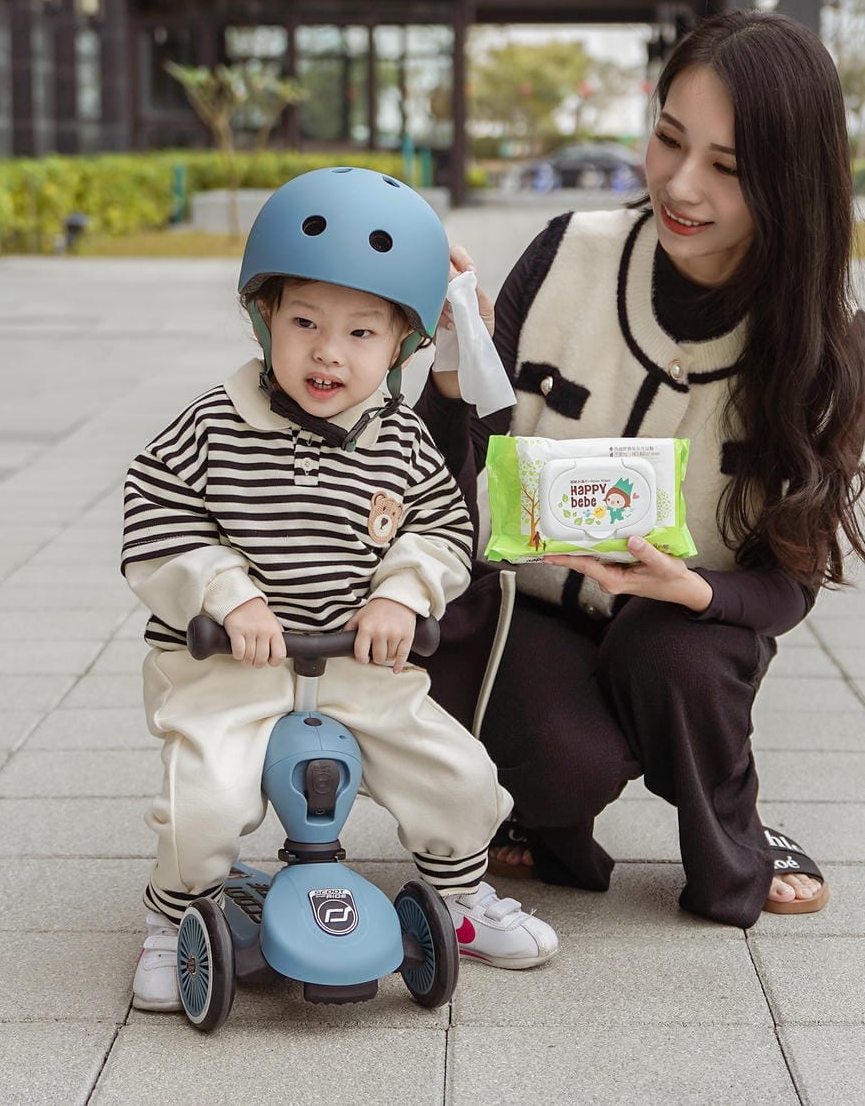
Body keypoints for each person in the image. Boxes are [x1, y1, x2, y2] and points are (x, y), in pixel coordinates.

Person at [417, 10, 865, 927]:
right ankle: (542, 812)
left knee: (677, 656)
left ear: (791, 183)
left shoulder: (825, 348)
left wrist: (694, 593)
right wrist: (448, 360)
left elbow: (786, 590)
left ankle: (735, 835)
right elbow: (442, 464)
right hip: (524, 610)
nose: (680, 183)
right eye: (670, 138)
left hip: (682, 637)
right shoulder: (569, 253)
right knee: (565, 766)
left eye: (728, 166)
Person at [122, 168, 558, 1012]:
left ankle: (460, 898)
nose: (329, 351)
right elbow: (157, 515)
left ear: (400, 347)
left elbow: (441, 528)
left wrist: (402, 592)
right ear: (264, 318)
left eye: (362, 333)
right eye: (305, 322)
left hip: (357, 664)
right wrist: (225, 595)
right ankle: (169, 915)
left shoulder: (400, 440)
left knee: (461, 773)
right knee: (202, 795)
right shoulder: (213, 424)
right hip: (232, 668)